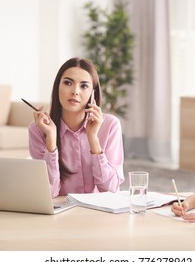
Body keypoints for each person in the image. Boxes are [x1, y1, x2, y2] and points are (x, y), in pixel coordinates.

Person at [28, 57, 125, 197]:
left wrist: (93, 139)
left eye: (84, 86)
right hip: (61, 213)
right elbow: (49, 192)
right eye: (68, 83)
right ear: (57, 87)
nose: (75, 91)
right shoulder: (38, 129)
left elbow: (111, 189)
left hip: (99, 212)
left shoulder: (110, 125)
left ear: (93, 93)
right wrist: (51, 140)